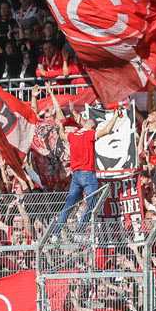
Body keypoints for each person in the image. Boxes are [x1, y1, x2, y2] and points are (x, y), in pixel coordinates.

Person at [49, 94, 121, 235]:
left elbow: (62, 135)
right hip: (88, 174)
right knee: (92, 203)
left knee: (69, 205)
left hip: (76, 176)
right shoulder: (89, 135)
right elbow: (106, 131)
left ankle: (56, 232)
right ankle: (81, 231)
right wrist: (115, 116)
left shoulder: (74, 135)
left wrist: (60, 126)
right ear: (92, 127)